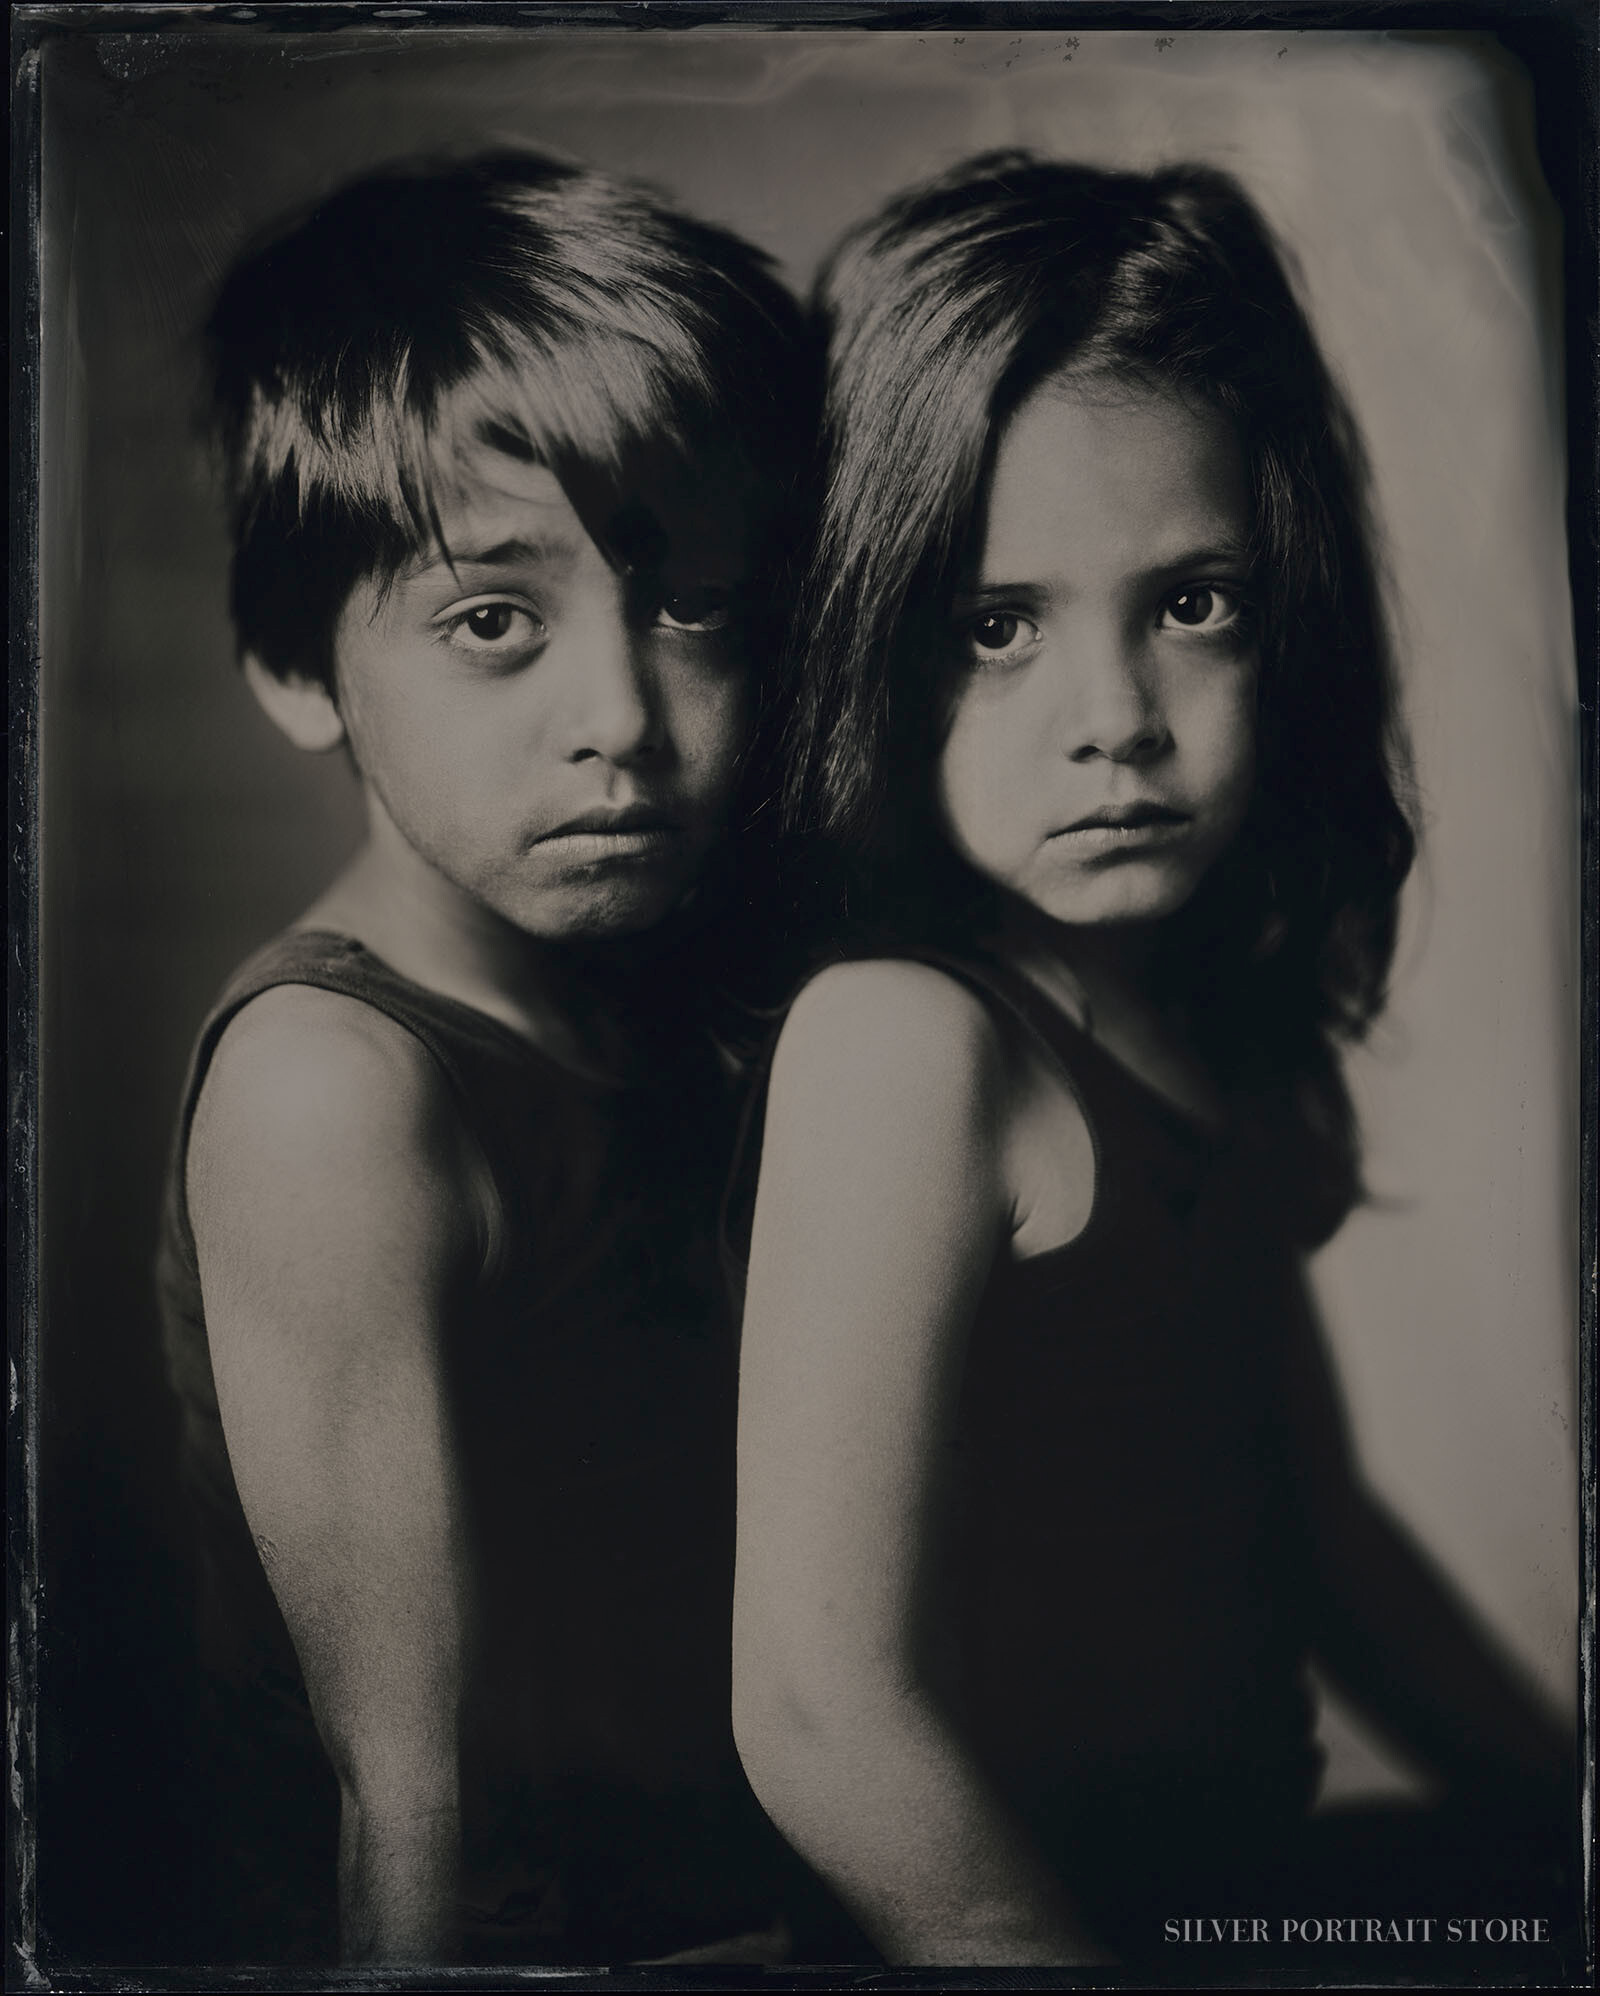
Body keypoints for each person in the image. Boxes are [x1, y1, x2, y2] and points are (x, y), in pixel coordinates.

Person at [729, 154, 1576, 1972]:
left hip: (1227, 1897)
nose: (1114, 720)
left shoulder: (1201, 1027)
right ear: (874, 642)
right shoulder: (907, 1043)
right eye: (997, 623)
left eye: (1194, 603)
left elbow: (1328, 1540)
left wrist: (1563, 1812)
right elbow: (818, 1713)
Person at [156, 149, 819, 1966]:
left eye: (692, 609)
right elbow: (412, 1817)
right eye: (493, 623)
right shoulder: (332, 1088)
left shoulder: (710, 987)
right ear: (302, 665)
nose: (622, 721)